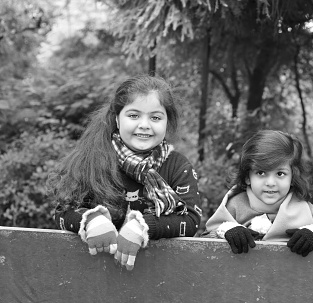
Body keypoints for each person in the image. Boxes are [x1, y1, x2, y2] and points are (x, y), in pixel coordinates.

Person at [47, 74, 201, 270]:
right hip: (94, 273)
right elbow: (62, 212)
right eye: (134, 115)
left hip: (157, 275)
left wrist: (143, 226)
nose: (144, 125)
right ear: (117, 120)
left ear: (167, 123)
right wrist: (90, 221)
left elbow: (191, 219)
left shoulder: (178, 165)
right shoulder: (92, 160)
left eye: (155, 117)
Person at [202, 130, 313, 257]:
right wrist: (226, 231)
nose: (270, 182)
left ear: (292, 177)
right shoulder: (235, 205)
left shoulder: (305, 209)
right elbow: (201, 243)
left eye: (280, 174)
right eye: (261, 173)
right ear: (247, 177)